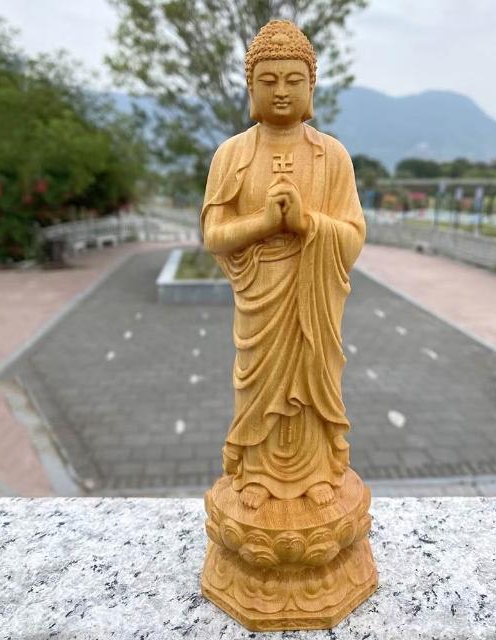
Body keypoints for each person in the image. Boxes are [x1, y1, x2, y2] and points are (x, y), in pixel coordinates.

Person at [201, 20, 365, 509]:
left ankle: (316, 470)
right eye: (268, 80)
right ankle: (255, 471)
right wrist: (264, 223)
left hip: (312, 295)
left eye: (294, 80)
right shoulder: (231, 155)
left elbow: (353, 236)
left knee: (313, 379)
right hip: (260, 296)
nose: (280, 91)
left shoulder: (332, 156)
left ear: (311, 86)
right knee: (257, 384)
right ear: (250, 87)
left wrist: (305, 223)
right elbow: (214, 235)